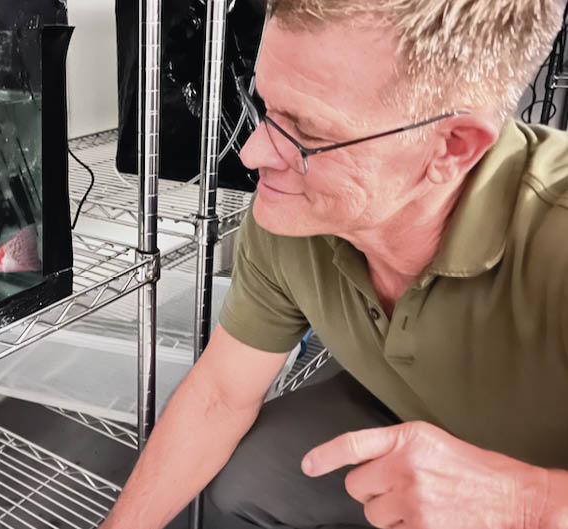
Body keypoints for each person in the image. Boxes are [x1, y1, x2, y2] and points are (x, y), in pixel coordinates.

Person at [100, 1, 568, 528]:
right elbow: (221, 395)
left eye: (310, 134)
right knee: (248, 478)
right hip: (402, 414)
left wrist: (525, 504)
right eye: (264, 106)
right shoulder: (294, 218)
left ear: (451, 148)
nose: (252, 154)